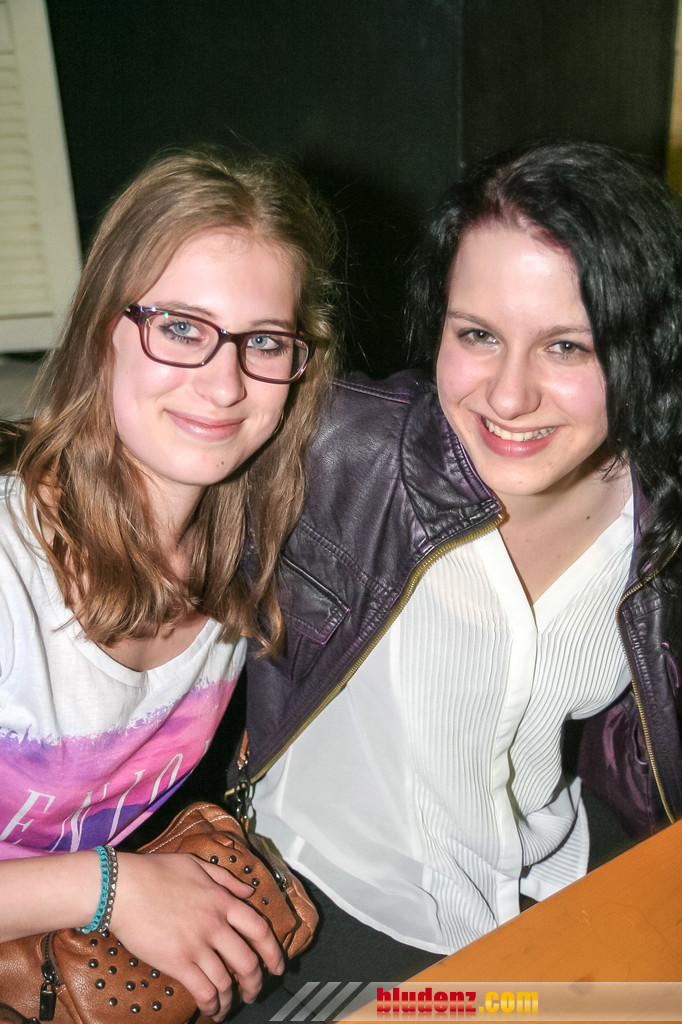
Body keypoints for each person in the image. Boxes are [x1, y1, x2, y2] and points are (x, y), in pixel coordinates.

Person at [230, 141, 682, 1000]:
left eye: (567, 347)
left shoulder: (660, 519)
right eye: (477, 334)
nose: (508, 398)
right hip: (336, 905)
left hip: (558, 879)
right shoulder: (333, 454)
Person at [0, 147, 339, 1020]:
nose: (224, 386)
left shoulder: (252, 553)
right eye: (182, 329)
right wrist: (110, 888)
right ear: (101, 328)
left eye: (264, 342)